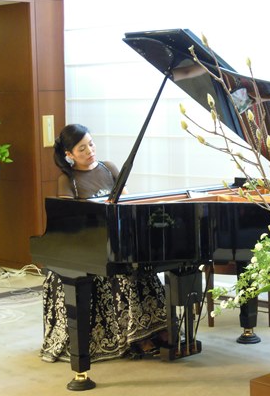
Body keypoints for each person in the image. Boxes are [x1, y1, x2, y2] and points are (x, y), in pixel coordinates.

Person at [40, 123, 167, 363]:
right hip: (90, 246)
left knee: (144, 269)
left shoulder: (108, 168)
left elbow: (127, 203)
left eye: (91, 144)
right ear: (69, 154)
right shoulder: (67, 180)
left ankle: (158, 329)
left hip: (117, 240)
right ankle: (137, 337)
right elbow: (70, 222)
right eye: (82, 149)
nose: (90, 151)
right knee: (122, 274)